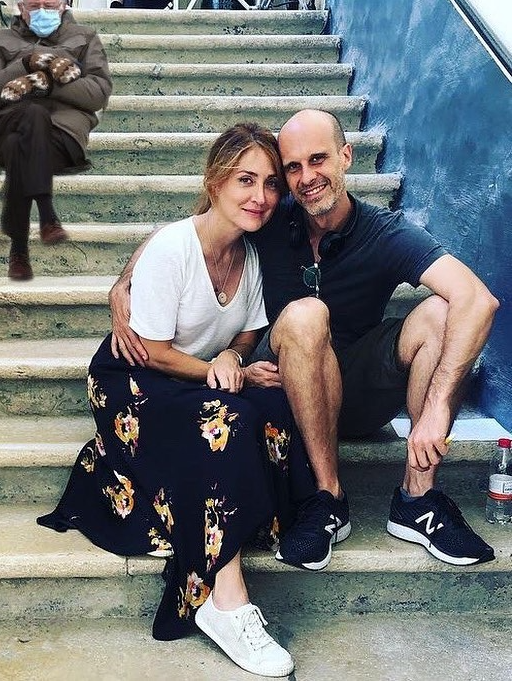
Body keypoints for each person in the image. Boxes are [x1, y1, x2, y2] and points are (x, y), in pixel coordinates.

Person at [110, 108, 499, 574]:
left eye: (318, 159)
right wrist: (123, 284)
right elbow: (193, 228)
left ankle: (418, 499)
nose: (307, 177)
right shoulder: (269, 213)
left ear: (346, 156)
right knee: (306, 314)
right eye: (293, 167)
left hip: (360, 390)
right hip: (289, 389)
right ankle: (327, 498)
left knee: (441, 310)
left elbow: (478, 299)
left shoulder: (385, 231)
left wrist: (435, 410)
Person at [38, 123, 297, 677]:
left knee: (273, 409)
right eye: (246, 180)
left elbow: (249, 333)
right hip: (132, 378)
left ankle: (253, 522)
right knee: (223, 421)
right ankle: (226, 602)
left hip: (190, 379)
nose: (261, 195)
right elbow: (153, 352)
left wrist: (232, 357)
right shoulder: (173, 248)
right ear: (214, 181)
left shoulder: (250, 257)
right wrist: (225, 373)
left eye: (272, 183)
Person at [0, 0, 112, 281]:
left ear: (62, 6)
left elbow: (98, 93)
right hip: (5, 129)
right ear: (21, 8)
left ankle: (18, 249)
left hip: (62, 138)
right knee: (27, 119)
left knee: (20, 142)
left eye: (49, 5)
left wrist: (45, 84)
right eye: (35, 6)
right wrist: (24, 64)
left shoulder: (85, 38)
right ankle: (47, 214)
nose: (43, 11)